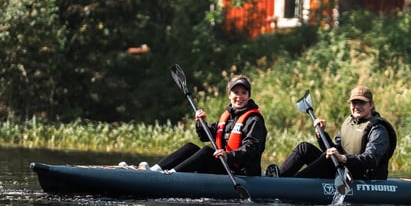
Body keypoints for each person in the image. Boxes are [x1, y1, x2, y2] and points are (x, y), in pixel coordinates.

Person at [129, 75, 267, 176]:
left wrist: (228, 156)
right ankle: (154, 170)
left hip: (241, 172)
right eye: (236, 92)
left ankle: (171, 175)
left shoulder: (254, 119)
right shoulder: (228, 116)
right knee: (191, 147)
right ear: (229, 95)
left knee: (207, 152)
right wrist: (200, 123)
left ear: (249, 95)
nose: (240, 96)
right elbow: (205, 136)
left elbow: (252, 149)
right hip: (225, 166)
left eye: (244, 93)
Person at [267, 85, 396, 180]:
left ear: (371, 105)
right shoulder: (349, 122)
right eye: (354, 102)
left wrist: (343, 158)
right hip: (342, 169)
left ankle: (291, 184)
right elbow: (334, 148)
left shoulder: (378, 129)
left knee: (327, 157)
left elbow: (371, 159)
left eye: (361, 102)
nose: (356, 106)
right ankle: (278, 178)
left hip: (361, 176)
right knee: (304, 148)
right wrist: (321, 134)